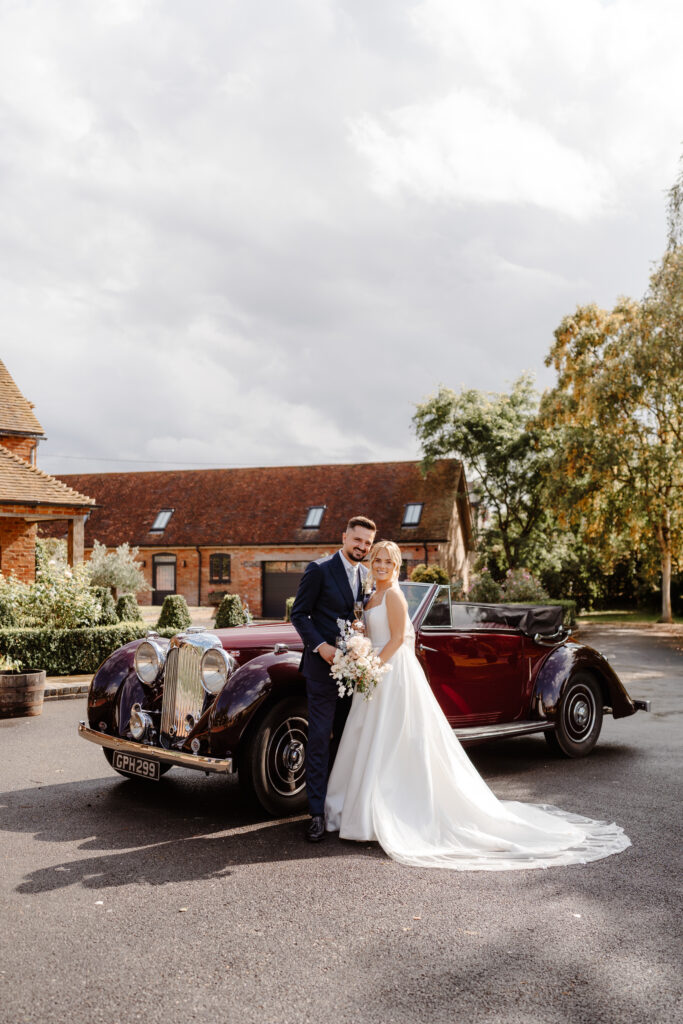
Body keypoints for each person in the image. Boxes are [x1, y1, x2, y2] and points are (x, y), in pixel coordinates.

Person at [325, 540, 631, 870]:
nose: (382, 564)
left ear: (397, 565)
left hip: (391, 673)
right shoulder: (372, 595)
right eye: (378, 559)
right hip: (375, 674)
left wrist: (372, 668)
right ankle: (359, 809)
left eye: (388, 560)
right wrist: (359, 644)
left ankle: (387, 811)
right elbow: (373, 631)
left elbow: (400, 638)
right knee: (368, 740)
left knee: (393, 741)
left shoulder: (396, 595)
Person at [290, 515, 376, 842]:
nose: (362, 547)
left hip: (355, 670)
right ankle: (314, 813)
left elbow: (361, 616)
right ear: (344, 537)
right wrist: (321, 647)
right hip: (322, 668)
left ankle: (338, 807)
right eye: (357, 540)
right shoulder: (320, 569)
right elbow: (299, 614)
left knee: (345, 740)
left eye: (367, 543)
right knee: (319, 738)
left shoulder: (368, 576)